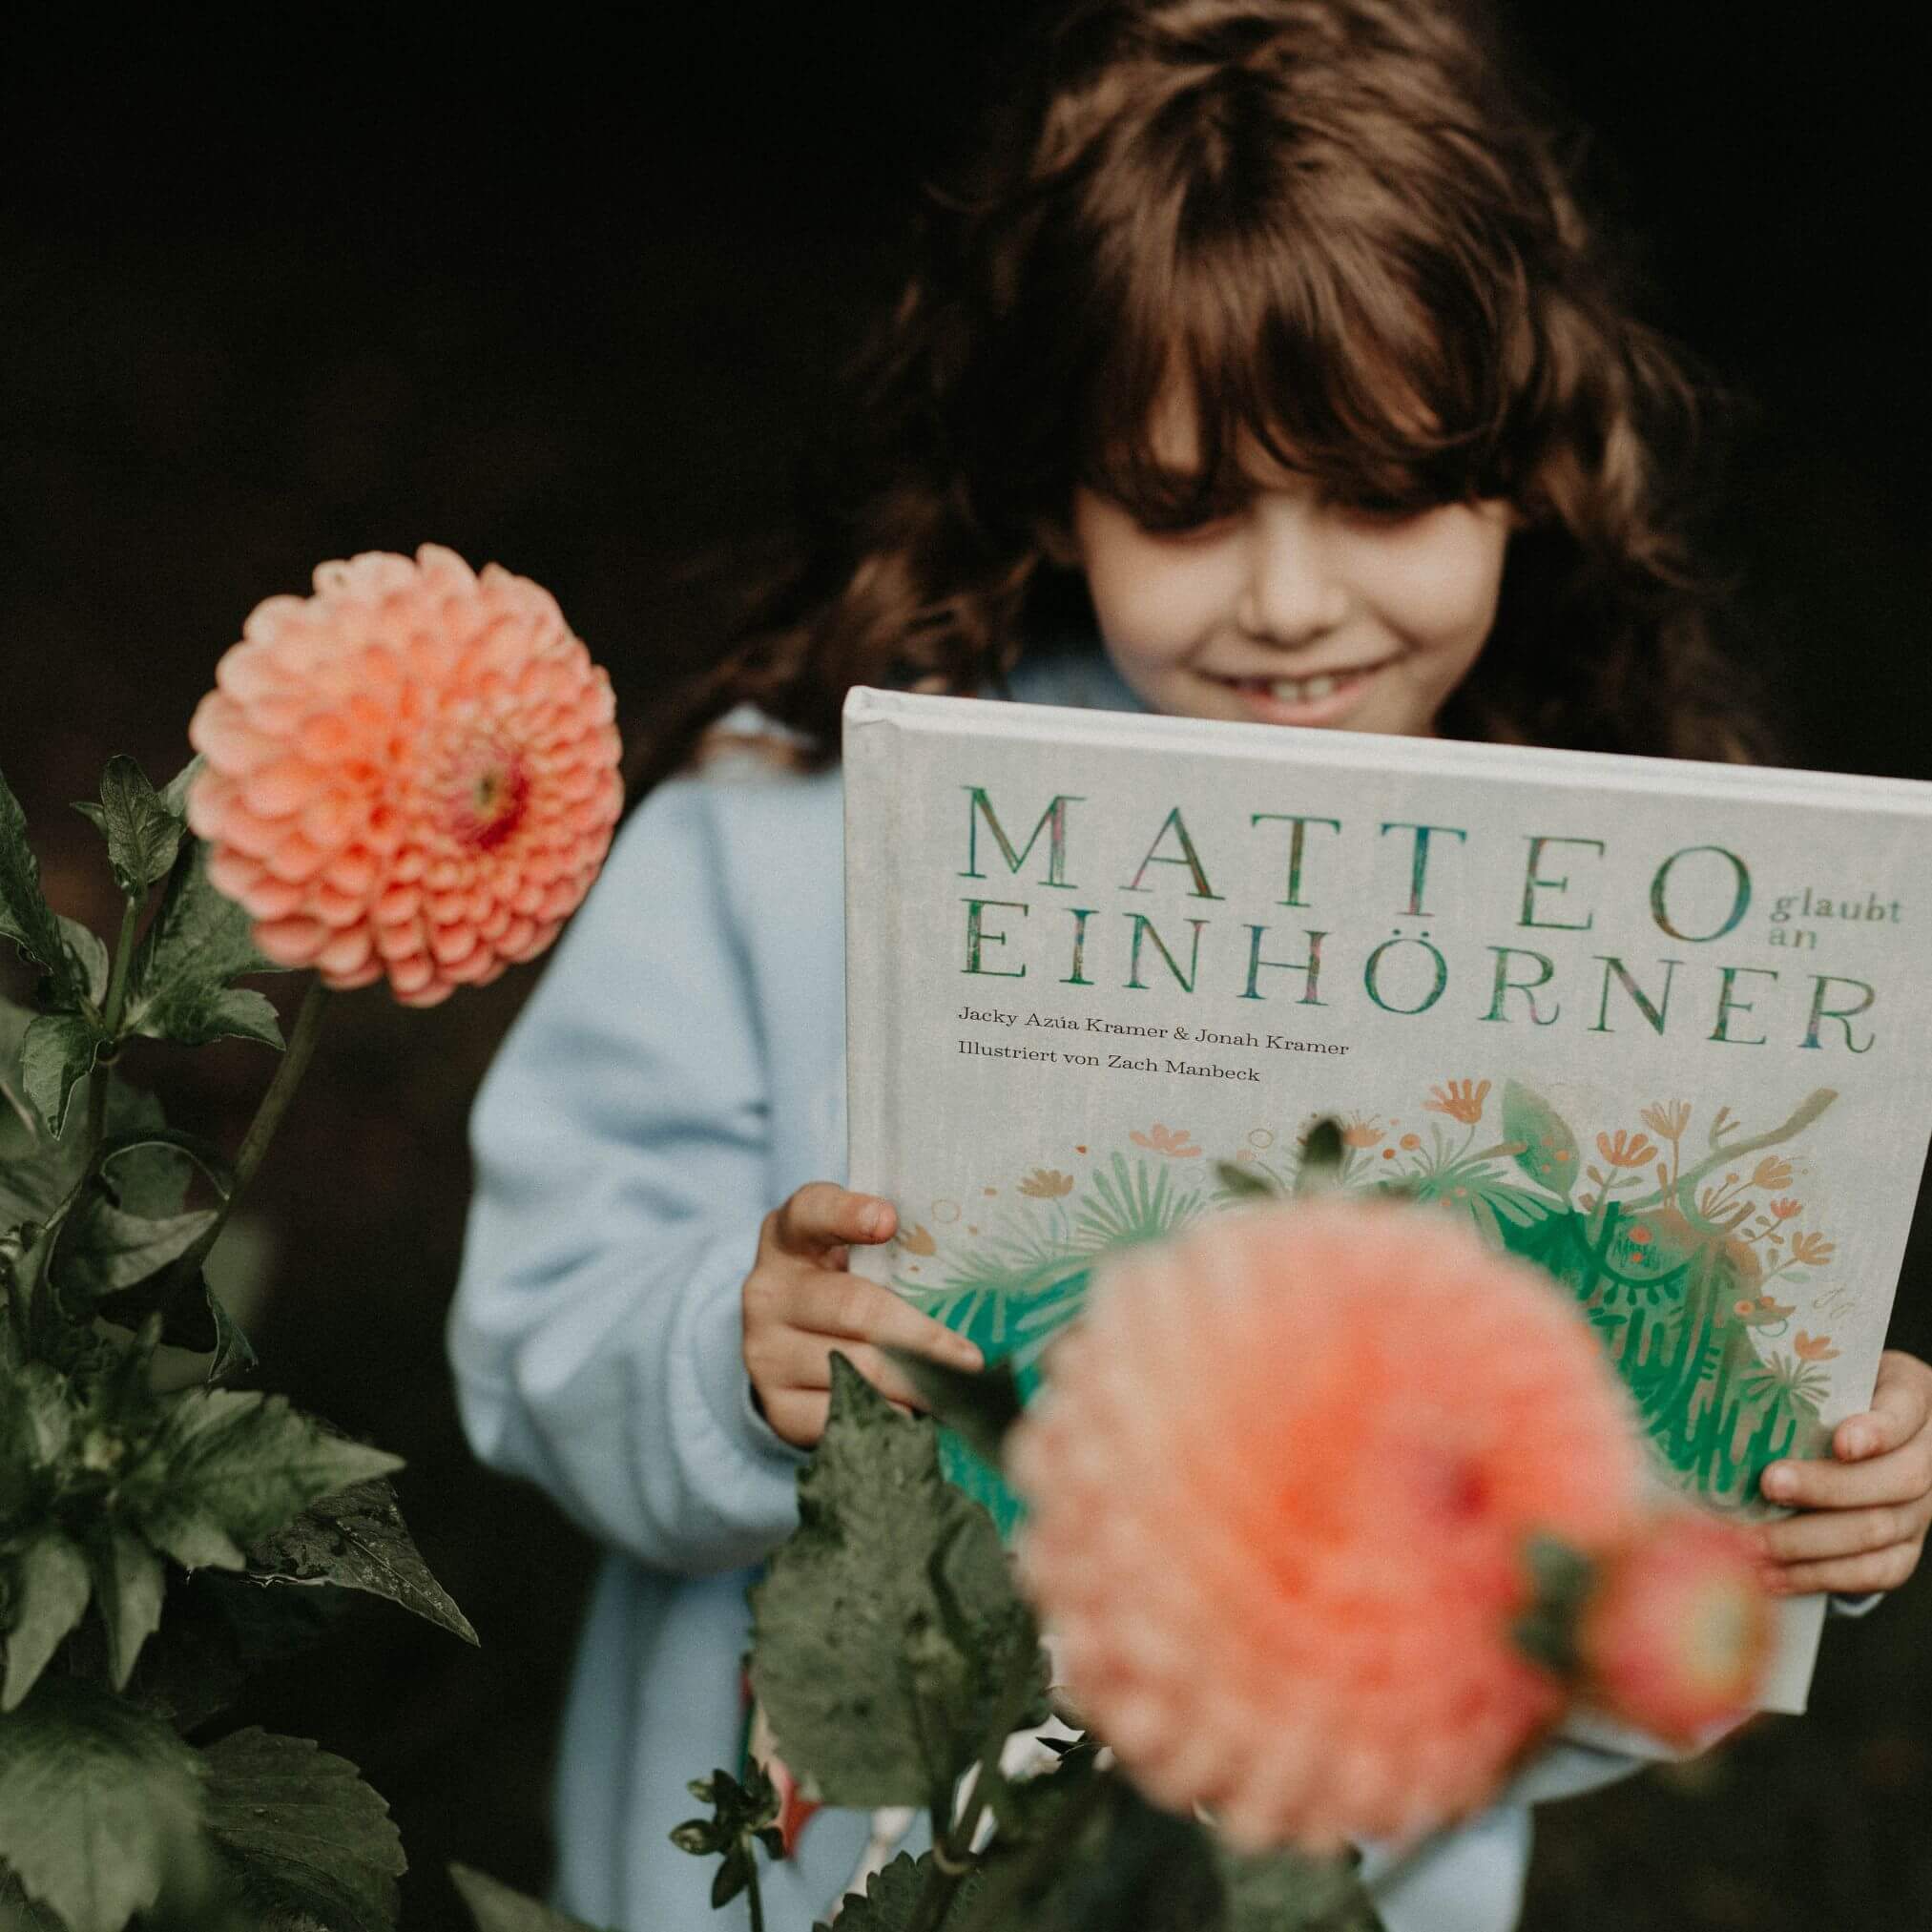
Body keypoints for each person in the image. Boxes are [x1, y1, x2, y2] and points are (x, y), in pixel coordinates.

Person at [446, 4, 1932, 1927]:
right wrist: (727, 1360)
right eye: (1185, 503)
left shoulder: (1625, 913)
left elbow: (1581, 1587)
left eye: (1382, 494)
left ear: (1522, 474)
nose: (1290, 600)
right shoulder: (781, 828)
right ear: (1057, 480)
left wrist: (1792, 1498)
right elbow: (534, 1321)